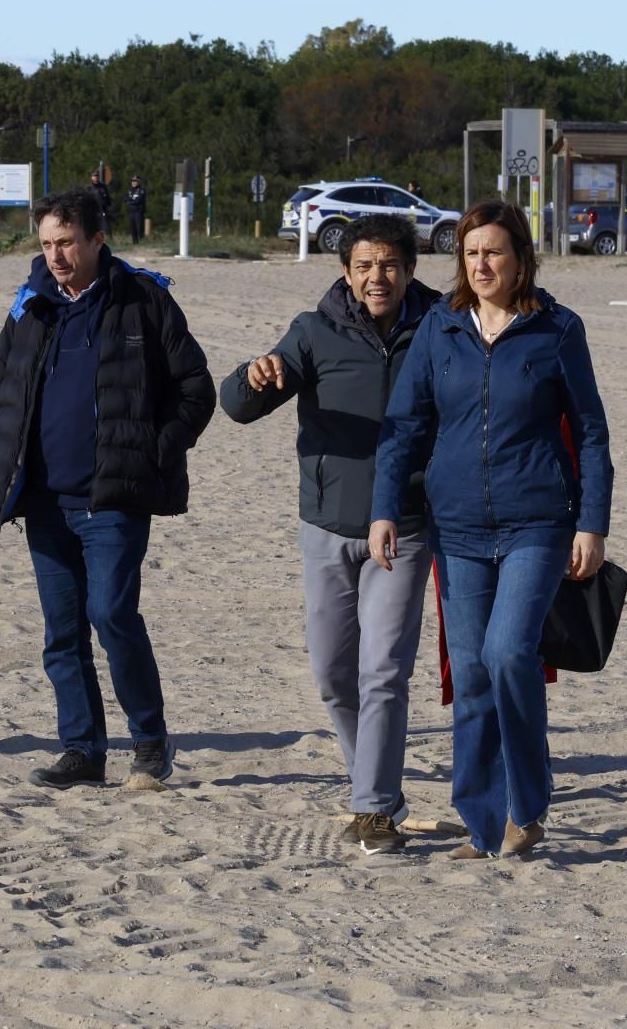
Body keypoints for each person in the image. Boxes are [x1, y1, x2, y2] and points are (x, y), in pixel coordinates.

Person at [369, 200, 613, 859]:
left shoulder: (558, 329)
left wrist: (592, 523)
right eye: (471, 253)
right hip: (458, 529)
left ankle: (528, 806)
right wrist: (385, 506)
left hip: (539, 522)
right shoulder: (438, 329)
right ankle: (484, 823)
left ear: (521, 258)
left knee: (510, 653)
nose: (481, 264)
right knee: (472, 671)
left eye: (494, 252)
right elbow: (404, 427)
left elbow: (590, 433)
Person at [220, 214, 442, 855]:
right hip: (325, 526)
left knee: (384, 672)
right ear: (346, 272)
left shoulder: (439, 327)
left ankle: (372, 809)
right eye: (365, 265)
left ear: (409, 269)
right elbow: (237, 406)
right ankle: (376, 785)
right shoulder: (313, 331)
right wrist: (253, 377)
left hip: (406, 525)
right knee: (333, 677)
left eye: (391, 265)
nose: (379, 277)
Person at [0, 188, 215, 789]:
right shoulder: (31, 304)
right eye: (48, 244)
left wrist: (154, 452)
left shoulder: (143, 299)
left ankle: (149, 743)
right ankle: (82, 751)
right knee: (62, 634)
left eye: (67, 243)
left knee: (111, 614)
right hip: (44, 502)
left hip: (114, 500)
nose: (56, 256)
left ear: (97, 240)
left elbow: (195, 388)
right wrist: (5, 458)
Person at [125, 175, 147, 244]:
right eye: (132, 181)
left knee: (139, 228)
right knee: (132, 228)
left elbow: (138, 200)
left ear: (138, 182)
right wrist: (132, 200)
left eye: (135, 181)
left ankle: (142, 242)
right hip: (131, 212)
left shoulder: (141, 190)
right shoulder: (129, 190)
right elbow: (125, 198)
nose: (133, 183)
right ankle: (135, 243)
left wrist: (131, 201)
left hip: (138, 212)